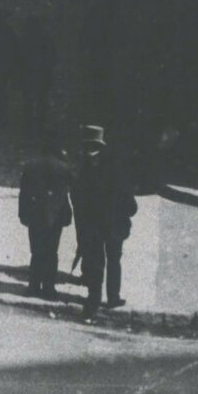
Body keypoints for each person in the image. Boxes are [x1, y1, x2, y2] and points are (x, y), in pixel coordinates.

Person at [71, 125, 138, 317]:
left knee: (95, 263)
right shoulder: (118, 171)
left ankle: (94, 300)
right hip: (115, 227)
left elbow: (77, 198)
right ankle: (113, 297)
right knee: (114, 261)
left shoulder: (83, 172)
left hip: (93, 227)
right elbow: (131, 206)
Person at [17, 142, 75, 298]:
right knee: (51, 252)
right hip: (55, 217)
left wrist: (22, 214)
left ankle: (33, 287)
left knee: (36, 251)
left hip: (35, 215)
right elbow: (70, 190)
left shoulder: (30, 166)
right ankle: (49, 288)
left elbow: (23, 193)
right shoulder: (63, 168)